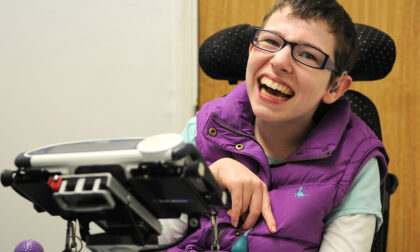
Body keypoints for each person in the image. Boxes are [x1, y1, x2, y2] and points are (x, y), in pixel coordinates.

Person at [166, 0, 388, 251]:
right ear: (251, 50)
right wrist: (203, 177)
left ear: (335, 87)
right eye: (271, 42)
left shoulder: (356, 164)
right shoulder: (203, 128)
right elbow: (152, 238)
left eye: (307, 55)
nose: (280, 61)